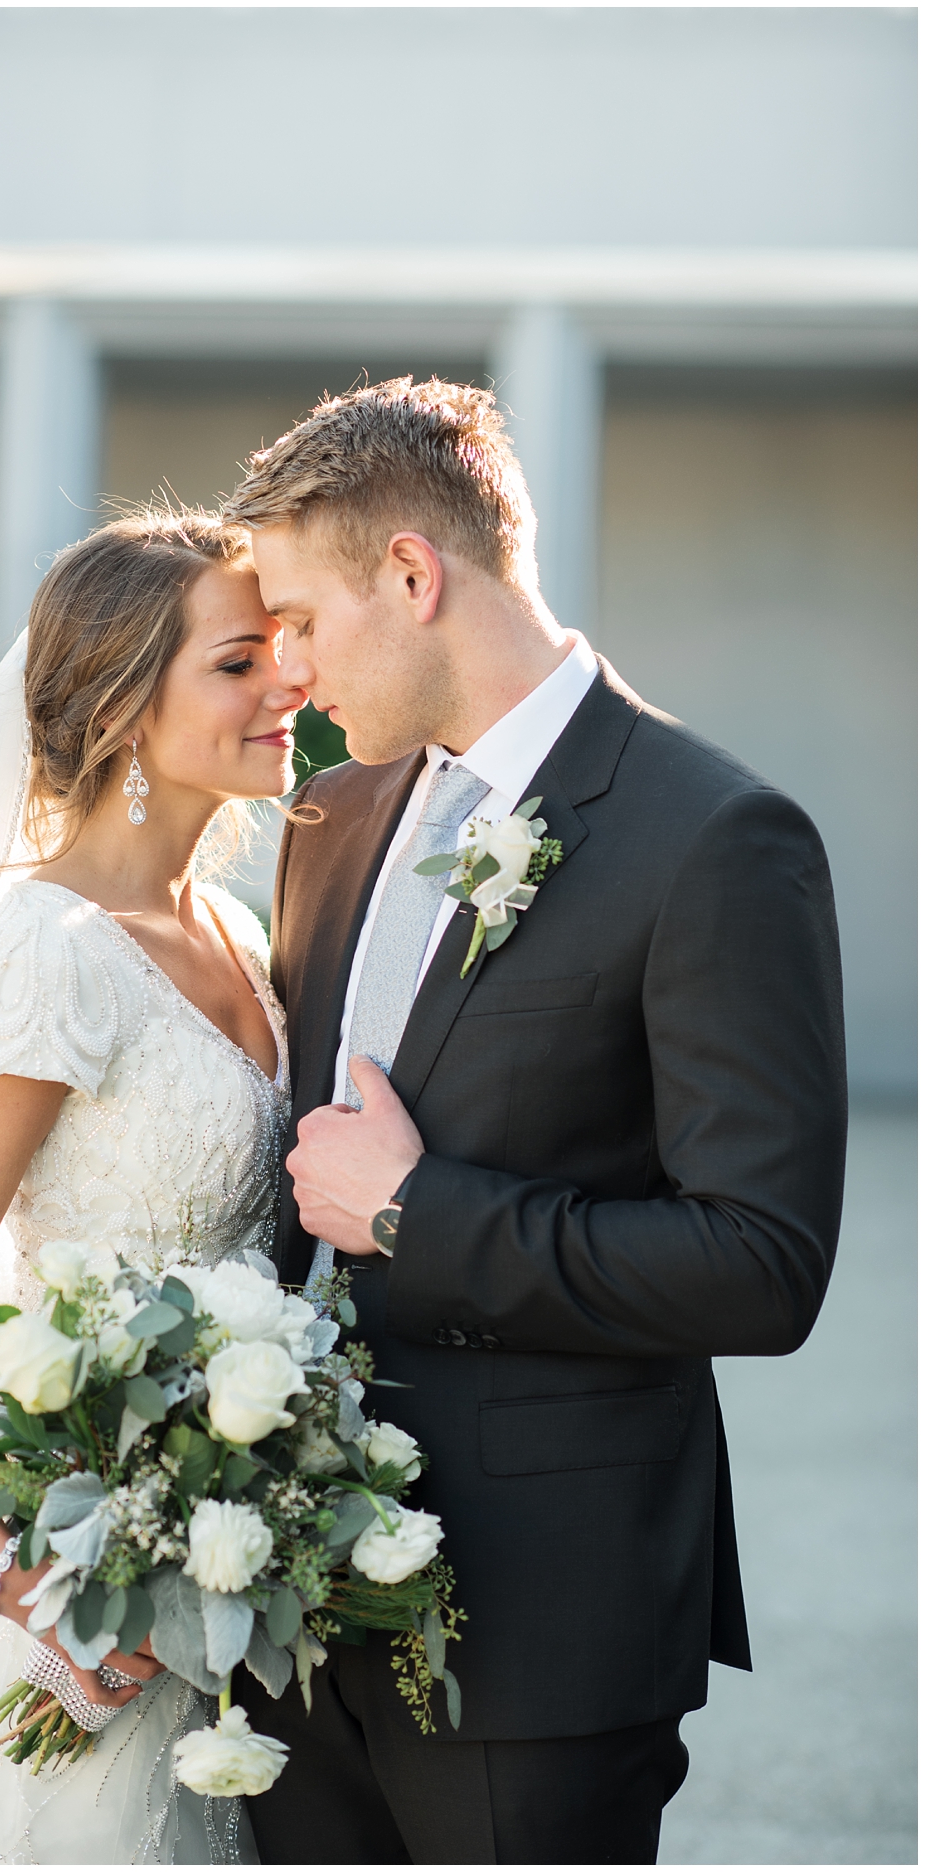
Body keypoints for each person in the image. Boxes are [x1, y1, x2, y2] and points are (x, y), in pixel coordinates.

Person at [226, 377, 845, 1862]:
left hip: (542, 1637)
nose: (289, 672)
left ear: (414, 574)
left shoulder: (714, 838)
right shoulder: (329, 821)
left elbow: (761, 1264)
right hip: (289, 1616)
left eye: (302, 620)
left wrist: (415, 1220)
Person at [0, 506, 308, 1863]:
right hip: (77, 1595)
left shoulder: (235, 924)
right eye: (239, 663)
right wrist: (32, 1591)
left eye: (282, 650)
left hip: (224, 1563)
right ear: (126, 708)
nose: (287, 683)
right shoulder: (48, 951)